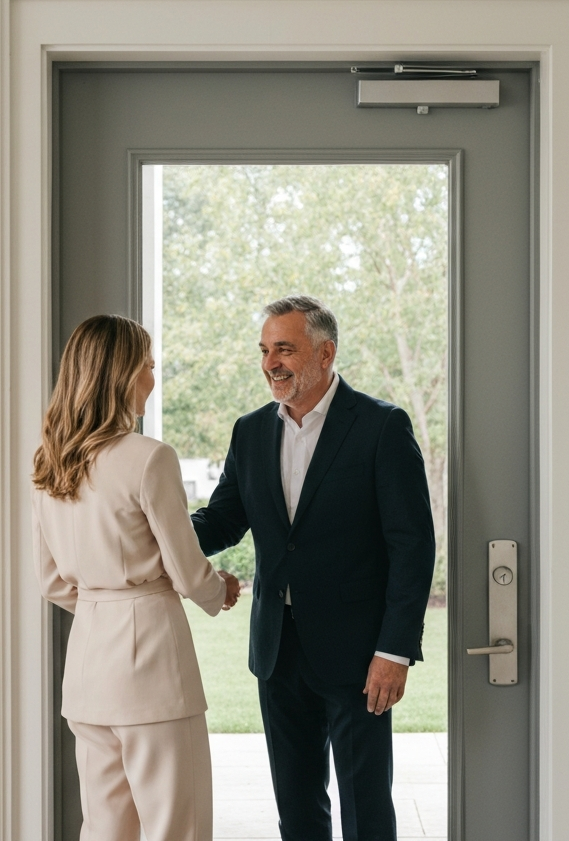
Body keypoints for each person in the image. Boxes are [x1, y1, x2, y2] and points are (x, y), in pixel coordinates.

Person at [192, 295, 435, 841]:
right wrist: (151, 530)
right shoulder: (250, 431)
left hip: (359, 654)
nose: (271, 362)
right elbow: (223, 521)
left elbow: (412, 546)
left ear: (325, 353)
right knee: (297, 810)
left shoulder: (381, 427)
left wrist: (394, 651)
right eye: (264, 350)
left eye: (285, 349)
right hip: (278, 651)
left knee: (366, 811)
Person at [31, 314, 240, 841]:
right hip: (152, 673)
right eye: (147, 366)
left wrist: (106, 606)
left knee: (105, 829)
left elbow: (52, 582)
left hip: (87, 675)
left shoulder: (50, 462)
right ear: (121, 374)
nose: (152, 378)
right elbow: (189, 573)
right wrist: (222, 590)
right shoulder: (149, 459)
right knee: (178, 827)